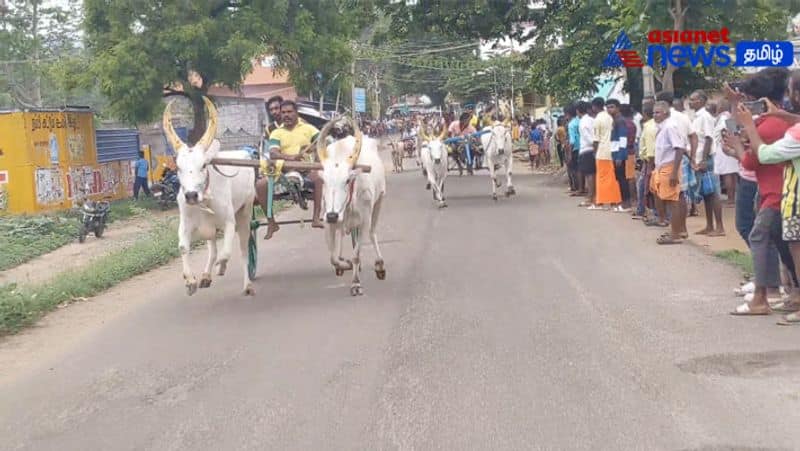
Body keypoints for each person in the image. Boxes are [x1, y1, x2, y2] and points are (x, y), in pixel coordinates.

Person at [726, 68, 800, 319]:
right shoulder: (781, 122)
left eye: (749, 99)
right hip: (779, 192)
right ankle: (789, 293)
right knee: (784, 244)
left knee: (760, 236)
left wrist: (739, 146)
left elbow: (756, 159)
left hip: (779, 194)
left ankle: (763, 296)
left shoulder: (769, 127)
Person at [258, 100, 324, 239]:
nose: (286, 115)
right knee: (261, 185)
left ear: (296, 113)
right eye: (283, 113)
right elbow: (273, 153)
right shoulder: (276, 132)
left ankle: (316, 218)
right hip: (283, 170)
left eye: (289, 112)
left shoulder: (308, 129)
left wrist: (314, 148)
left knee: (319, 179)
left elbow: (323, 141)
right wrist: (291, 157)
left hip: (306, 168)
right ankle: (271, 223)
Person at [689, 90, 725, 236]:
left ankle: (720, 227)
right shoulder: (696, 117)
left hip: (706, 159)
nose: (691, 102)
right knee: (705, 193)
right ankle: (710, 225)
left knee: (713, 192)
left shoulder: (705, 117)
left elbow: (709, 139)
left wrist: (703, 159)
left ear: (702, 101)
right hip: (698, 158)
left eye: (693, 99)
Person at [652, 101, 688, 245]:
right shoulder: (662, 127)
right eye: (654, 112)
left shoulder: (670, 127)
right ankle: (676, 230)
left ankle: (675, 234)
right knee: (670, 199)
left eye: (658, 112)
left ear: (666, 113)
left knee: (673, 201)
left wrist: (673, 172)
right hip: (663, 167)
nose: (655, 115)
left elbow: (679, 148)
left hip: (670, 167)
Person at [593, 97, 622, 210]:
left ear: (594, 107)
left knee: (602, 178)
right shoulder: (610, 118)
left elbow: (596, 140)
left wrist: (595, 153)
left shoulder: (598, 120)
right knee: (611, 177)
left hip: (602, 151)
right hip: (612, 150)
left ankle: (603, 201)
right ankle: (612, 201)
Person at [713, 98, 740, 207]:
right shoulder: (727, 116)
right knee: (732, 173)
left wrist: (727, 145)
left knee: (727, 174)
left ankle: (730, 199)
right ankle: (732, 198)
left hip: (725, 147)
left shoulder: (724, 117)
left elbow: (731, 130)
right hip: (729, 146)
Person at [607, 99, 630, 211]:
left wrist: (620, 156)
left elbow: (623, 139)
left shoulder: (620, 121)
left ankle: (626, 202)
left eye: (612, 107)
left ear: (617, 108)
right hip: (614, 153)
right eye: (608, 107)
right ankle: (622, 200)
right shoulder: (614, 120)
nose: (609, 109)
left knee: (622, 178)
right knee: (618, 178)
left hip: (619, 154)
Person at [637, 101, 658, 220]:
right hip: (651, 160)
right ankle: (644, 210)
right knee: (647, 186)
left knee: (647, 187)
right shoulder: (654, 125)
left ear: (644, 113)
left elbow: (650, 149)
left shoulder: (649, 127)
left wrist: (649, 167)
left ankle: (654, 212)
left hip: (650, 161)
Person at [577, 101, 597, 208]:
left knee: (589, 175)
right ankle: (593, 196)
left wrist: (593, 144)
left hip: (587, 149)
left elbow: (587, 136)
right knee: (593, 174)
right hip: (593, 149)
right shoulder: (592, 120)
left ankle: (590, 197)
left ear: (578, 111)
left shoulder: (583, 122)